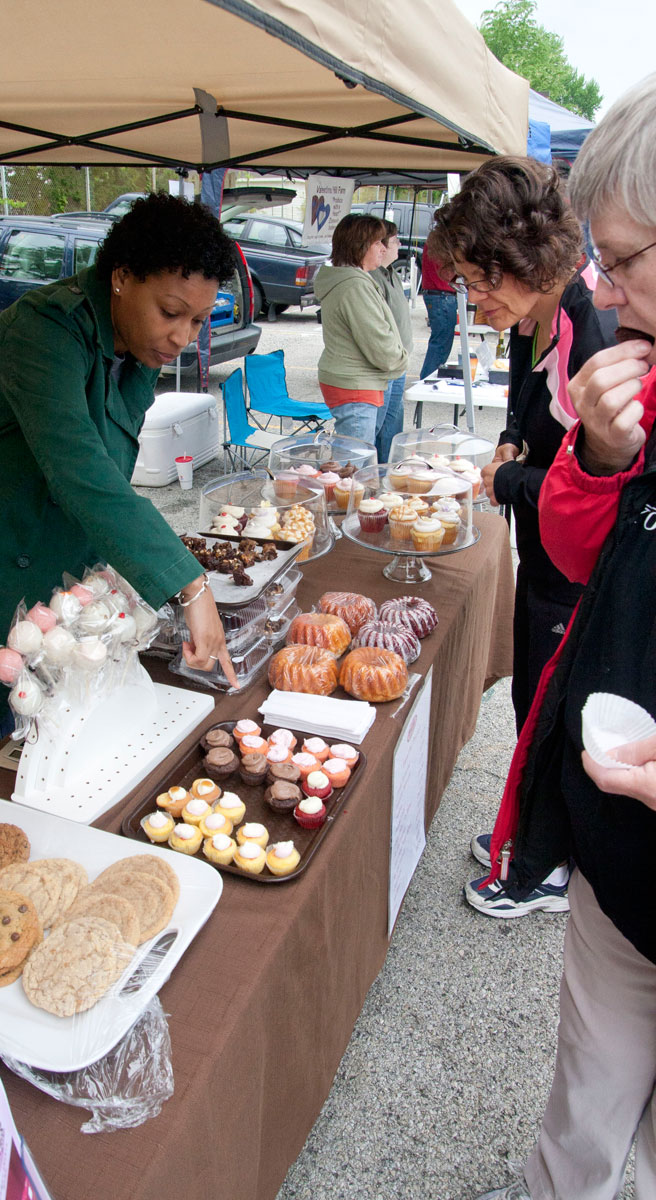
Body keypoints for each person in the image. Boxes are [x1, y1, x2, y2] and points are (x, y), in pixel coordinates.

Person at [473, 73, 656, 1200]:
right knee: (586, 1083)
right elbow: (581, 557)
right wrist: (591, 455)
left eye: (626, 256)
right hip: (617, 841)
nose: (604, 283)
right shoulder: (633, 364)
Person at [0, 194, 239, 746]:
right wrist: (189, 584)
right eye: (170, 312)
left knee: (63, 707)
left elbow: (108, 472)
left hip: (60, 544)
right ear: (121, 277)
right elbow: (81, 469)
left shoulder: (133, 344)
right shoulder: (41, 330)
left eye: (199, 319)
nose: (183, 337)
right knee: (13, 720)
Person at [427, 157, 617, 918]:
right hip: (541, 554)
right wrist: (508, 441)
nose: (473, 301)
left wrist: (507, 482)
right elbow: (523, 408)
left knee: (552, 710)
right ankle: (533, 834)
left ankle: (541, 867)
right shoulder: (533, 318)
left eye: (480, 281)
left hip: (579, 571)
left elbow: (603, 493)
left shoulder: (590, 327)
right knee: (535, 703)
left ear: (527, 261)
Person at [314, 213, 407, 443]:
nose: (383, 249)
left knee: (356, 461)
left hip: (354, 382)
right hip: (355, 385)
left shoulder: (351, 280)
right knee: (353, 468)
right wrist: (401, 360)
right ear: (360, 246)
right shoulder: (354, 285)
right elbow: (379, 345)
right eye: (377, 243)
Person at [370, 220, 413, 460]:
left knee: (392, 427)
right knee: (378, 426)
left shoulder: (390, 273)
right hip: (386, 365)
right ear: (382, 246)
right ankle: (374, 477)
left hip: (399, 364)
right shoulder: (374, 277)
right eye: (395, 240)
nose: (400, 244)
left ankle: (386, 475)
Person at [418, 239, 457, 381]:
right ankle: (428, 380)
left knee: (441, 341)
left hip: (439, 295)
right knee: (441, 343)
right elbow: (448, 273)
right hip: (442, 295)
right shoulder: (442, 241)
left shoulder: (437, 239)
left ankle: (428, 379)